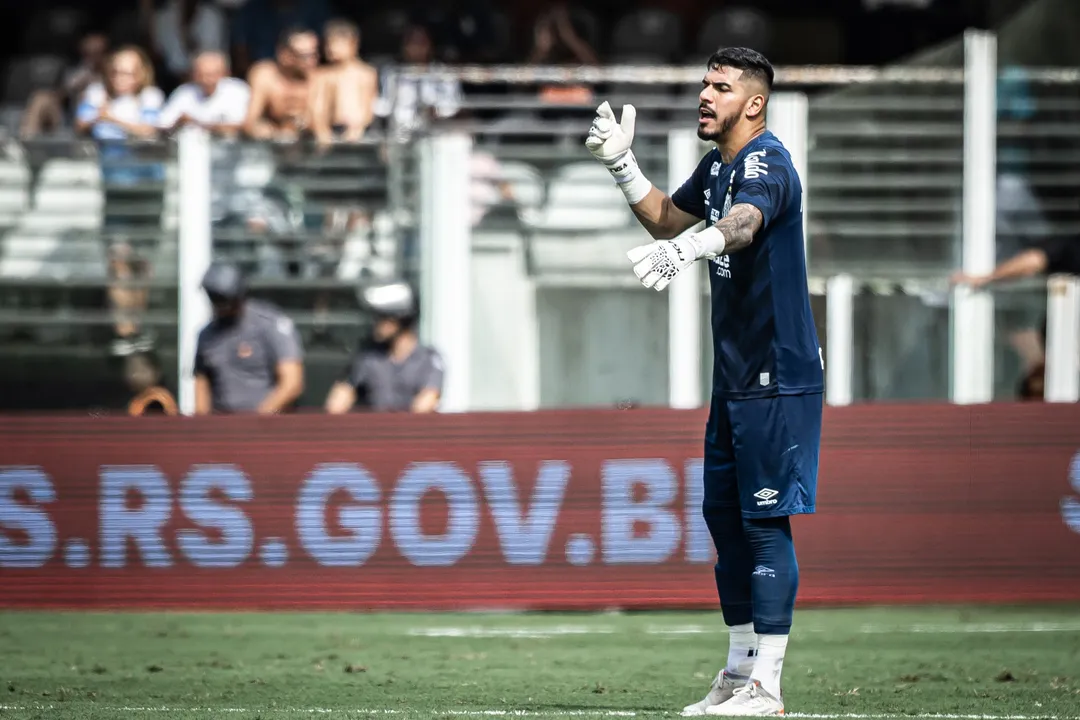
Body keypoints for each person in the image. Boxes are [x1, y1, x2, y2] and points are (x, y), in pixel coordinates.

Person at [586, 47, 822, 716]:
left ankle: (767, 687)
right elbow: (666, 217)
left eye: (720, 86)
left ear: (754, 103)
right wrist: (622, 166)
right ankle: (737, 671)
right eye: (703, 83)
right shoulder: (718, 163)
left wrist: (690, 249)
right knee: (722, 516)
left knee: (764, 522)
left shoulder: (766, 161)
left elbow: (743, 225)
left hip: (778, 374)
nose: (704, 95)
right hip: (737, 376)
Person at [193, 261, 305, 414]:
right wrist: (202, 428)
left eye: (221, 299)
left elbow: (292, 383)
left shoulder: (269, 324)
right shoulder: (206, 335)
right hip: (221, 428)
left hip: (268, 426)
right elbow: (201, 384)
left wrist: (257, 421)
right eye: (212, 298)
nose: (217, 304)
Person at [324, 282, 444, 414]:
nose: (376, 323)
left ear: (402, 318)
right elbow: (336, 405)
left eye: (383, 317)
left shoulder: (428, 358)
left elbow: (426, 404)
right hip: (372, 432)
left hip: (412, 432)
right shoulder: (368, 357)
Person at [310, 19, 378, 146]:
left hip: (360, 133)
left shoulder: (367, 73)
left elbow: (369, 104)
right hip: (331, 132)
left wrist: (359, 127)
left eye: (337, 43)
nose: (331, 48)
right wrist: (322, 131)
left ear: (353, 43)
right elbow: (317, 107)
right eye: (328, 43)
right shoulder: (322, 75)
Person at [243, 26, 319, 141]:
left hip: (309, 144)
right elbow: (250, 122)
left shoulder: (319, 78)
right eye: (304, 56)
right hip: (271, 146)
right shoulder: (265, 75)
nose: (311, 61)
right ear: (284, 55)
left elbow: (320, 122)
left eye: (314, 54)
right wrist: (269, 131)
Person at [158, 51, 250, 136]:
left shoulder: (238, 90)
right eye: (201, 75)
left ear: (224, 73)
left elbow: (242, 125)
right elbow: (162, 124)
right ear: (194, 75)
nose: (207, 80)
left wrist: (196, 123)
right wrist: (178, 122)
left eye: (213, 74)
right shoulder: (184, 93)